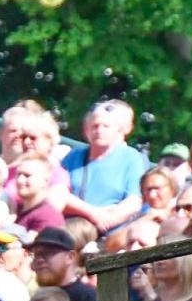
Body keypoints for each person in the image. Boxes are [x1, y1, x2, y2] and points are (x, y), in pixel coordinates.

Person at [61, 99, 149, 233]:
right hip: (74, 231)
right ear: (86, 130)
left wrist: (108, 220)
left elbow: (134, 201)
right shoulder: (73, 157)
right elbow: (58, 194)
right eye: (95, 126)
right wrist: (94, 214)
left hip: (113, 234)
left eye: (105, 126)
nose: (99, 130)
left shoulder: (131, 157)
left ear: (117, 130)